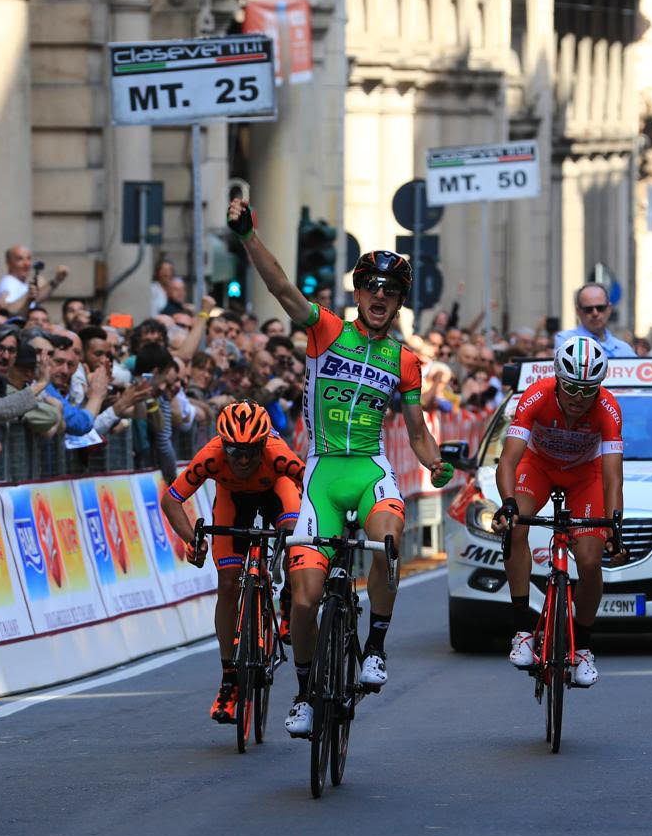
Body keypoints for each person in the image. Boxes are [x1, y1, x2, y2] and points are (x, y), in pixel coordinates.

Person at [228, 196, 453, 739]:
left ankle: (375, 645)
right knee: (304, 599)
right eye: (371, 287)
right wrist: (246, 235)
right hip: (322, 474)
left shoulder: (405, 361)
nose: (379, 296)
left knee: (390, 539)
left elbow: (417, 433)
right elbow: (283, 289)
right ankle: (305, 693)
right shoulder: (326, 331)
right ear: (358, 293)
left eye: (390, 291)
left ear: (399, 302)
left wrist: (438, 465)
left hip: (368, 469)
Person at [492, 336, 627, 688]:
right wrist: (507, 503)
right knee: (515, 527)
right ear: (557, 379)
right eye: (571, 388)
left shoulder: (609, 409)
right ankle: (522, 630)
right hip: (538, 466)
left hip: (586, 475)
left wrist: (615, 524)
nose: (579, 399)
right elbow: (508, 459)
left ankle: (583, 647)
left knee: (589, 559)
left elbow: (613, 477)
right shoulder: (536, 395)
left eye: (588, 390)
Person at [161, 402, 303, 723]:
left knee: (293, 535)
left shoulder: (277, 453)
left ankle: (288, 598)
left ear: (263, 445)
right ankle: (229, 680)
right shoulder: (211, 455)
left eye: (250, 452)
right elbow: (171, 500)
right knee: (227, 583)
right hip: (232, 499)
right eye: (234, 451)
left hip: (276, 489)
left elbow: (313, 486)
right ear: (222, 444)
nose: (241, 459)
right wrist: (192, 539)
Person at [555, 282, 635, 358]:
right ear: (578, 311)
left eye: (600, 308)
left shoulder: (625, 349)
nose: (595, 313)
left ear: (609, 309)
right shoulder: (565, 341)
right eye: (588, 309)